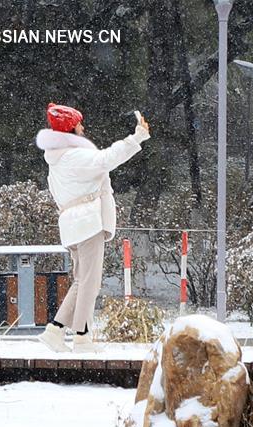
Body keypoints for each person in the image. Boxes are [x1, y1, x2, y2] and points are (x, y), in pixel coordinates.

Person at [36, 103, 150, 352]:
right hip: (87, 222)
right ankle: (81, 336)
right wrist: (137, 137)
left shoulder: (57, 157)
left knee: (83, 280)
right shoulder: (74, 155)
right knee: (89, 282)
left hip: (72, 223)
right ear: (71, 128)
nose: (83, 127)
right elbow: (108, 158)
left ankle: (56, 330)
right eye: (79, 124)